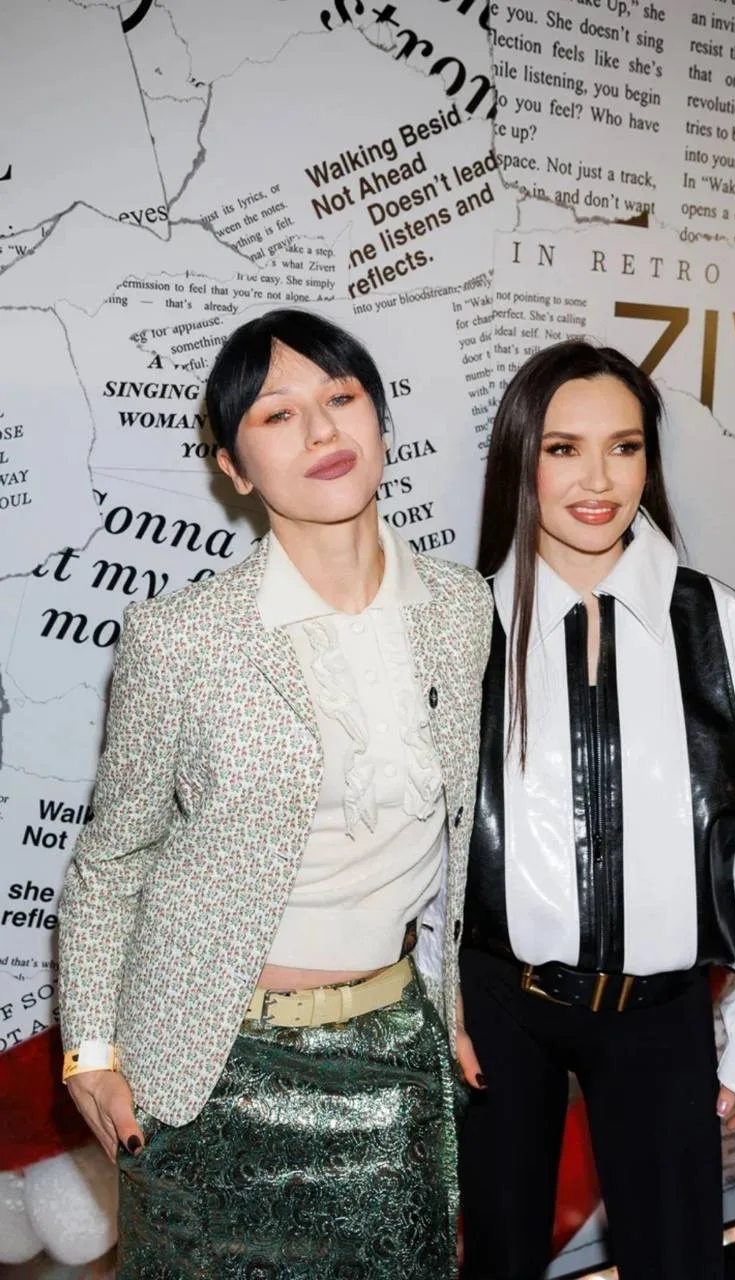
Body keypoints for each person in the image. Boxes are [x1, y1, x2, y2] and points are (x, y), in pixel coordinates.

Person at [58, 308, 491, 1278]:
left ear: (379, 419)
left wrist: (452, 1001)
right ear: (234, 467)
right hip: (205, 1071)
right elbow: (111, 859)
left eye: (341, 397)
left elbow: (454, 837)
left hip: (391, 1062)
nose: (321, 429)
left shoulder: (461, 610)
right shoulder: (181, 638)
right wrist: (90, 1051)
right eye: (276, 414)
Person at [455, 339, 735, 1280]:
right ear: (521, 459)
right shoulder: (462, 624)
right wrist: (443, 1005)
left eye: (624, 447)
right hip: (498, 1007)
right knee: (495, 1260)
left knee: (676, 1264)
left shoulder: (721, 627)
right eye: (563, 448)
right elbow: (422, 833)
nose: (598, 479)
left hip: (660, 1013)